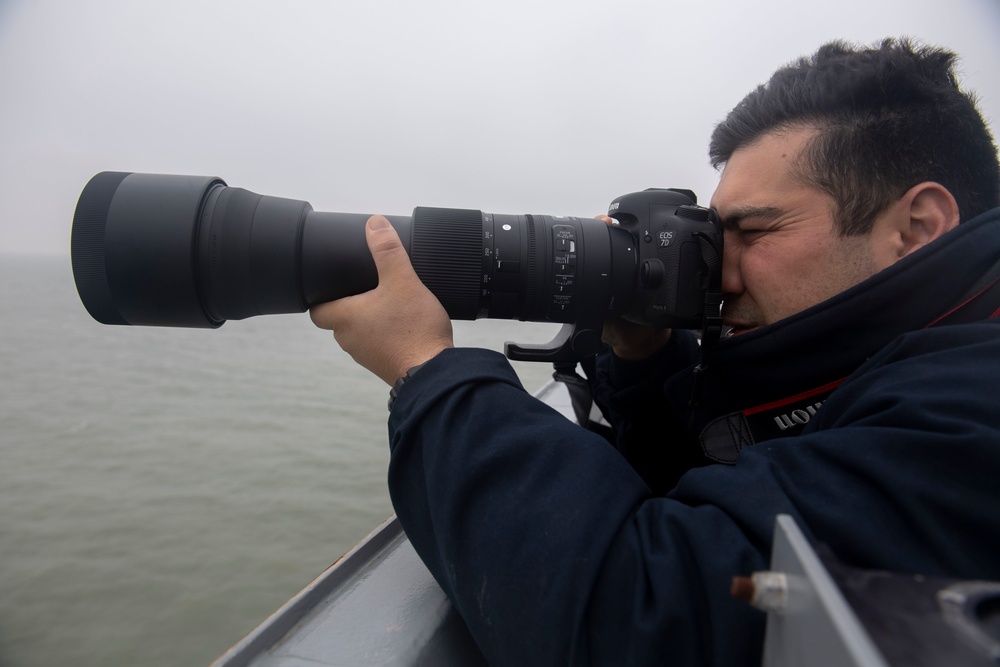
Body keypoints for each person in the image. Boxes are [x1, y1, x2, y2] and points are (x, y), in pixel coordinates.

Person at [310, 38, 1000, 666]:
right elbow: (737, 502)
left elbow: (642, 618)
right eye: (714, 240)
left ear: (917, 227)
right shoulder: (886, 367)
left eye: (754, 231)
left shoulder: (969, 409)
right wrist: (644, 360)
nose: (721, 277)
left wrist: (428, 371)